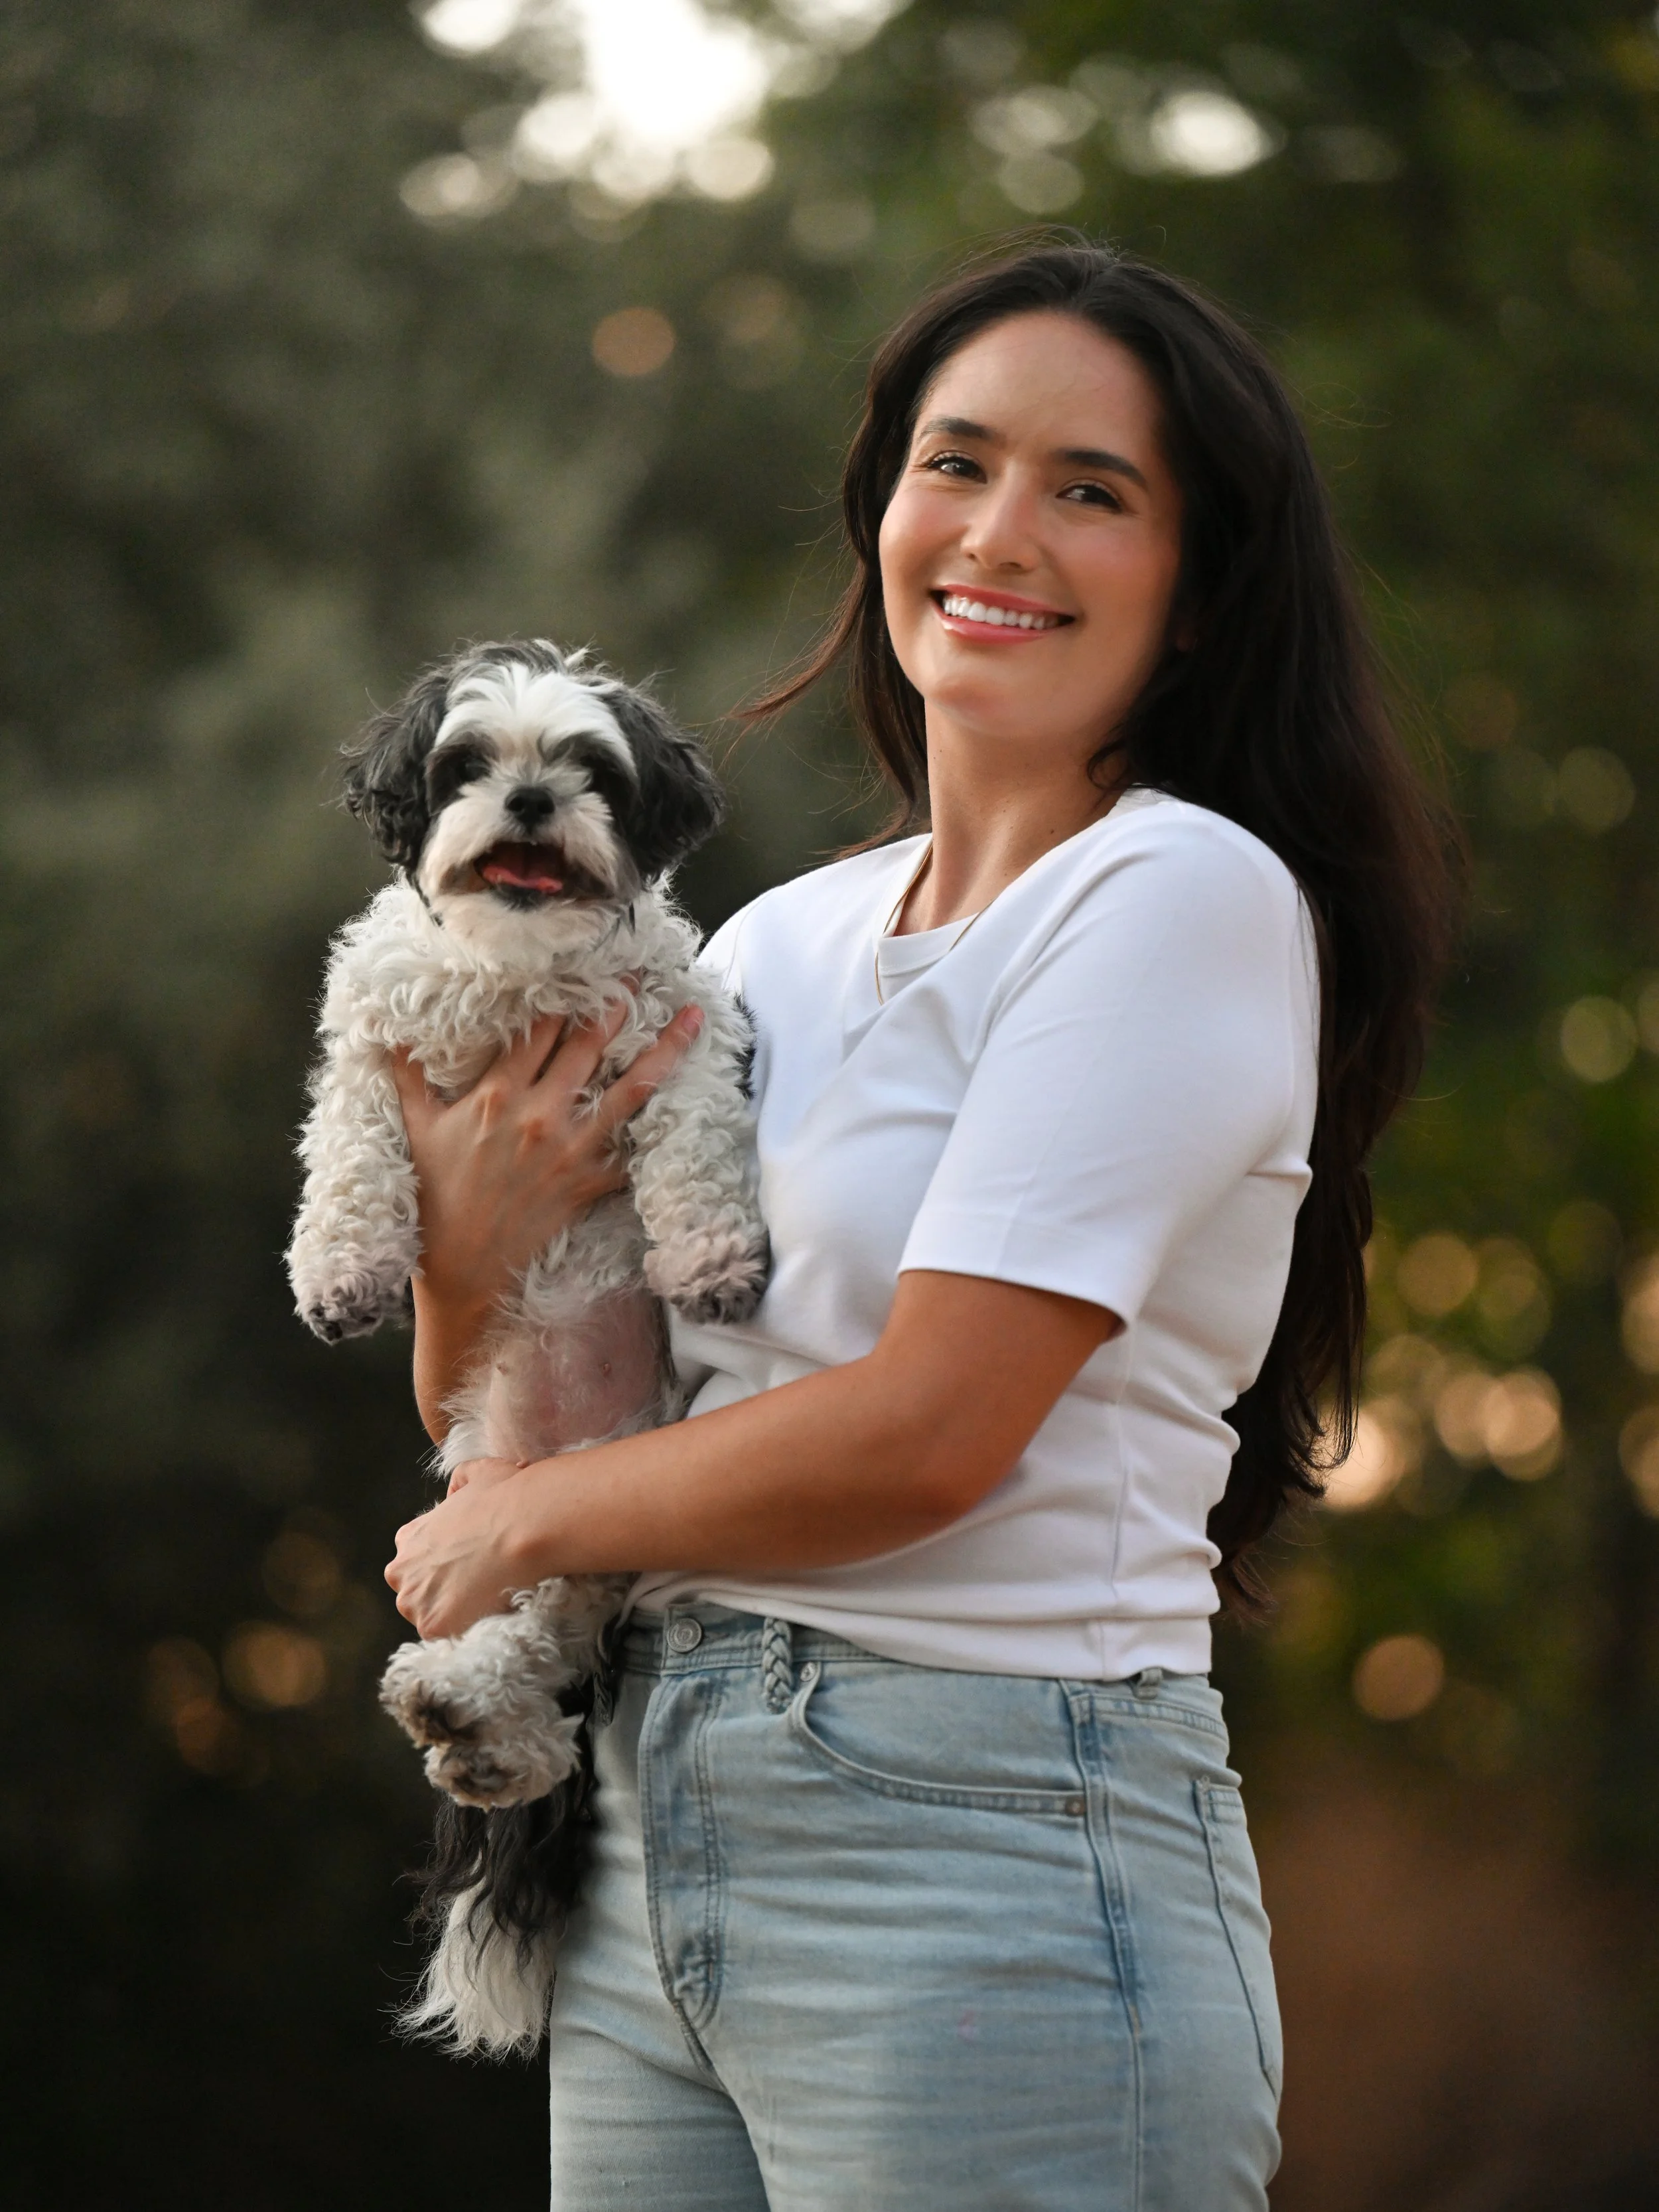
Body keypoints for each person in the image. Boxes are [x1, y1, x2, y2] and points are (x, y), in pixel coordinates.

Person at [384, 240, 1455, 2209]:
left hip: (982, 1837)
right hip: (652, 1815)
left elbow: (930, 1428)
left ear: (1200, 585)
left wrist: (517, 1528)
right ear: (885, 507)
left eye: (1091, 489)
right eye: (953, 462)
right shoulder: (776, 941)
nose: (999, 530)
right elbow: (521, 1384)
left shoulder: (1175, 894)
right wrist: (463, 1244)